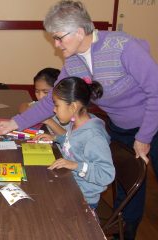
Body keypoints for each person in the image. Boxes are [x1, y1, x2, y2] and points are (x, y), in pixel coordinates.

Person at [0, 1, 158, 239]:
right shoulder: (74, 60)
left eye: (59, 38)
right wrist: (15, 123)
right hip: (121, 125)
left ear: (80, 32)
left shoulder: (125, 48)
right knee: (129, 185)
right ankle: (123, 232)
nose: (56, 44)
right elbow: (50, 100)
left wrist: (144, 137)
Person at [36, 76, 114, 208]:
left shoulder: (93, 137)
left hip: (82, 199)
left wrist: (75, 165)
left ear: (72, 107)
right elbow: (74, 143)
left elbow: (106, 174)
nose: (54, 110)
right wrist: (56, 138)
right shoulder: (76, 123)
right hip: (68, 183)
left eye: (57, 105)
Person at [19, 67, 66, 135]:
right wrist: (32, 112)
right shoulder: (43, 105)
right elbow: (23, 106)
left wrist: (48, 120)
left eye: (46, 92)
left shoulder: (66, 109)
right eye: (37, 91)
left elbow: (67, 138)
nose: (40, 96)